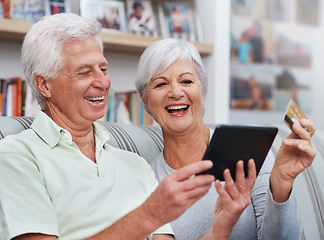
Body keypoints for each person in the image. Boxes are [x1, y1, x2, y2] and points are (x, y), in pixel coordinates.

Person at [0, 13, 253, 240]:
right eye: (84, 72)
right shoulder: (18, 157)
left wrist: (221, 226)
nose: (102, 82)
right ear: (44, 85)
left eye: (103, 68)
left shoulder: (135, 165)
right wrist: (148, 215)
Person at [135, 38, 317, 240]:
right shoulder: (145, 181)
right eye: (161, 84)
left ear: (202, 90)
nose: (176, 92)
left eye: (186, 81)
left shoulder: (246, 150)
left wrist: (282, 184)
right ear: (145, 100)